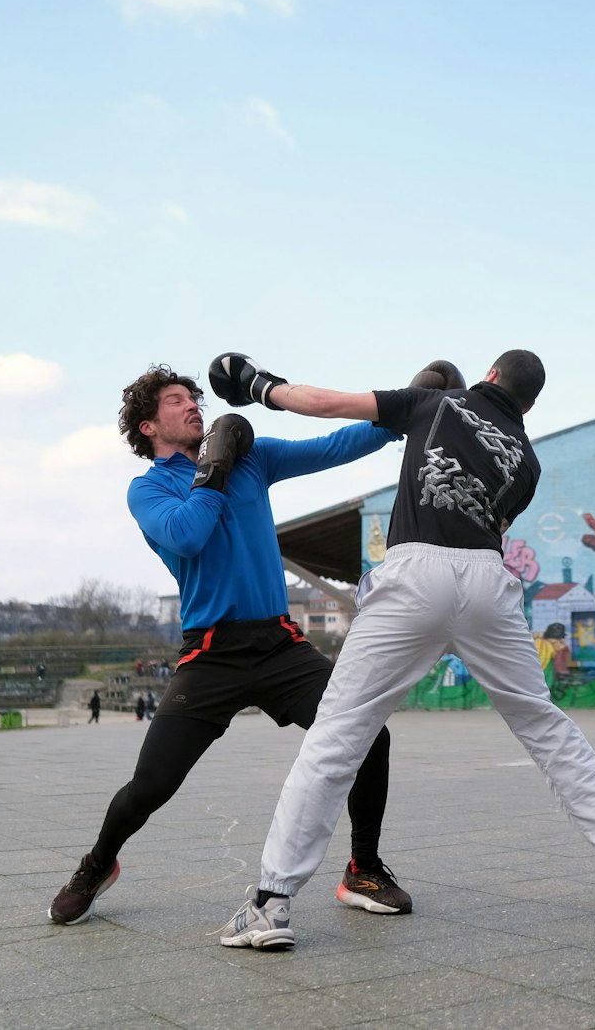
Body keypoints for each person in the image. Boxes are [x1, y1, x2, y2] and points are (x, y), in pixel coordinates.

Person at [207, 350, 595, 952]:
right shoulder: (527, 463)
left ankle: (271, 904)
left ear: (491, 376)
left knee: (338, 733)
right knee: (544, 725)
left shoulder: (436, 402)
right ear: (528, 403)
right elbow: (491, 528)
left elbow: (324, 403)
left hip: (416, 571)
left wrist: (259, 386)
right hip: (487, 582)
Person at [47, 363, 416, 926]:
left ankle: (362, 867)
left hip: (280, 645)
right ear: (148, 426)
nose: (193, 404)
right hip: (210, 654)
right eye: (176, 400)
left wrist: (402, 410)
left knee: (370, 737)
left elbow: (337, 443)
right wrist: (213, 469)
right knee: (151, 784)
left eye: (195, 396)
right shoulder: (148, 489)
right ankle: (98, 863)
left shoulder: (256, 458)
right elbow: (188, 536)